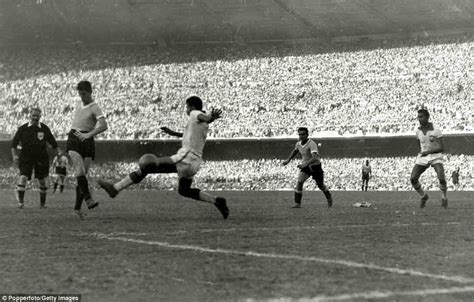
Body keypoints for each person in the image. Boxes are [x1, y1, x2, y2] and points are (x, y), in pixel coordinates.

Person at [97, 96, 229, 219]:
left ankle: (116, 188)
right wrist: (173, 133)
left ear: (192, 106)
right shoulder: (201, 125)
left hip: (184, 158)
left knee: (149, 163)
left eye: (187, 107)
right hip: (194, 163)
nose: (186, 110)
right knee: (184, 190)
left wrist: (211, 117)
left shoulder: (195, 114)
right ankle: (217, 201)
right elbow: (192, 132)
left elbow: (204, 117)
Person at [67, 80, 108, 219]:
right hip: (74, 138)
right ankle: (88, 199)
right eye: (79, 94)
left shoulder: (95, 107)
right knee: (80, 170)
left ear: (90, 92)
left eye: (83, 94)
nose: (81, 97)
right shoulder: (79, 104)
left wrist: (89, 135)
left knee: (82, 177)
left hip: (87, 140)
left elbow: (104, 125)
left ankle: (77, 209)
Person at [11, 107, 58, 208]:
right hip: (26, 157)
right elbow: (13, 144)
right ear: (30, 115)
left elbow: (54, 144)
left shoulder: (44, 129)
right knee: (23, 177)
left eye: (37, 115)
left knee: (41, 180)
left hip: (41, 157)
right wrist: (14, 156)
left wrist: (56, 156)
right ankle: (21, 203)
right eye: (33, 115)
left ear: (40, 116)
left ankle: (42, 204)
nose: (35, 117)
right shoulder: (23, 129)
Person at [282, 127, 333, 208]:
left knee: (320, 185)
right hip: (306, 167)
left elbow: (315, 157)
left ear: (307, 135)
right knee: (299, 182)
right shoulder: (298, 144)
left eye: (303, 134)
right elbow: (295, 151)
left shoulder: (312, 144)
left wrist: (305, 164)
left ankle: (329, 196)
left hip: (315, 166)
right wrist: (288, 160)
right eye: (299, 134)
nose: (301, 136)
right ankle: (297, 203)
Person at [410, 109, 448, 208]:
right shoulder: (417, 131)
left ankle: (444, 198)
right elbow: (419, 144)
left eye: (421, 117)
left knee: (441, 178)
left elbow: (442, 148)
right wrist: (420, 153)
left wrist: (428, 152)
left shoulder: (436, 130)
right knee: (413, 179)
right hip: (423, 157)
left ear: (427, 117)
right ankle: (423, 196)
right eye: (418, 117)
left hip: (435, 156)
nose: (419, 119)